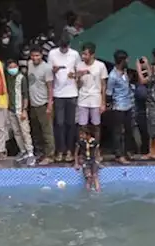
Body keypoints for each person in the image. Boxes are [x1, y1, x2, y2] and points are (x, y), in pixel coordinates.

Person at [48, 34, 82, 162]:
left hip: (72, 92)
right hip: (58, 93)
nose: (64, 49)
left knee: (71, 123)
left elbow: (79, 71)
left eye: (66, 47)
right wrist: (54, 70)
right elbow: (48, 72)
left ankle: (70, 151)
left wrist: (75, 75)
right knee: (59, 123)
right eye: (62, 47)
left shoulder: (74, 54)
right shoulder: (52, 54)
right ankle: (60, 150)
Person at [106, 51, 135, 163]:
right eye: (126, 60)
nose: (128, 61)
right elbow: (109, 93)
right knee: (118, 132)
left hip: (128, 105)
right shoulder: (113, 76)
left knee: (129, 130)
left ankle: (128, 151)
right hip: (118, 106)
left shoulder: (125, 72)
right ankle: (119, 154)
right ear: (122, 61)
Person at [27, 48, 54, 164]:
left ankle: (50, 155)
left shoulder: (47, 68)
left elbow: (50, 87)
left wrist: (49, 105)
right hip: (33, 104)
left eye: (37, 55)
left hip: (43, 103)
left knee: (47, 131)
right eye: (33, 56)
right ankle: (40, 154)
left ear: (41, 55)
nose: (35, 58)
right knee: (36, 131)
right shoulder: (29, 64)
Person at [75, 42, 107, 140]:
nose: (83, 56)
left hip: (95, 98)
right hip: (83, 98)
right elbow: (78, 85)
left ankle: (96, 148)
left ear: (92, 55)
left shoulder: (100, 66)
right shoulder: (79, 66)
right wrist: (79, 77)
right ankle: (83, 148)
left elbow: (103, 85)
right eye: (82, 54)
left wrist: (103, 103)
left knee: (96, 125)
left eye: (85, 54)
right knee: (82, 125)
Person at [74, 126, 101, 192]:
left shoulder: (94, 142)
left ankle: (98, 191)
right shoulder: (80, 142)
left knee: (95, 176)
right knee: (89, 177)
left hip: (93, 160)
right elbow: (76, 153)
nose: (81, 136)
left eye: (82, 134)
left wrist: (98, 161)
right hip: (85, 161)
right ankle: (88, 192)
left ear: (88, 135)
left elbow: (97, 152)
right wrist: (76, 163)